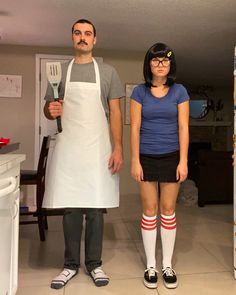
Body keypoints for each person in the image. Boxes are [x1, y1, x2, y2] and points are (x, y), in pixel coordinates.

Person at [43, 19, 124, 289]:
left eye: (87, 33)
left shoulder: (108, 72)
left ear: (94, 40)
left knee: (95, 207)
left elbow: (115, 113)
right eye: (78, 33)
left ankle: (94, 264)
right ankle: (69, 265)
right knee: (71, 207)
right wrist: (50, 110)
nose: (82, 37)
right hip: (70, 149)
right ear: (72, 38)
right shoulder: (59, 73)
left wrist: (118, 147)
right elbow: (49, 108)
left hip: (97, 149)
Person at [130, 42, 189, 289]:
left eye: (165, 60)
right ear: (149, 64)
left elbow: (184, 127)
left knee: (168, 209)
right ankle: (151, 266)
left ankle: (167, 265)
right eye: (155, 60)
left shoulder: (180, 92)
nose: (160, 64)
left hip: (172, 156)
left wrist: (183, 160)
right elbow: (134, 128)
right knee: (150, 209)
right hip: (145, 156)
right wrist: (135, 160)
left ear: (170, 64)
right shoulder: (139, 92)